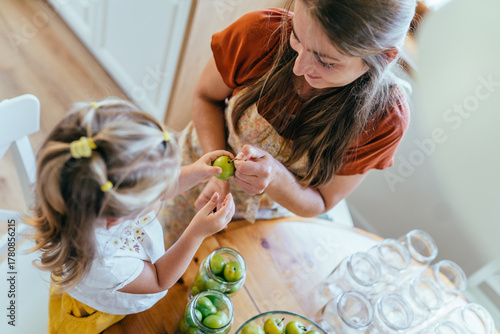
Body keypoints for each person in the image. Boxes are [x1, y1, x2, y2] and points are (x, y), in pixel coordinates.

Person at [159, 0, 415, 246]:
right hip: (193, 173)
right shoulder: (259, 34)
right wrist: (214, 173)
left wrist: (276, 177)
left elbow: (321, 202)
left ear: (385, 56)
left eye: (326, 61)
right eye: (296, 36)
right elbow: (206, 97)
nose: (299, 66)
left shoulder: (384, 119)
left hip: (260, 219)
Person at [27, 99, 235, 333]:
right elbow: (158, 279)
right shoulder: (107, 263)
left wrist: (196, 172)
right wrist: (197, 232)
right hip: (95, 313)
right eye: (157, 190)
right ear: (118, 218)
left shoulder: (90, 197)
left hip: (124, 281)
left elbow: (153, 187)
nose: (166, 187)